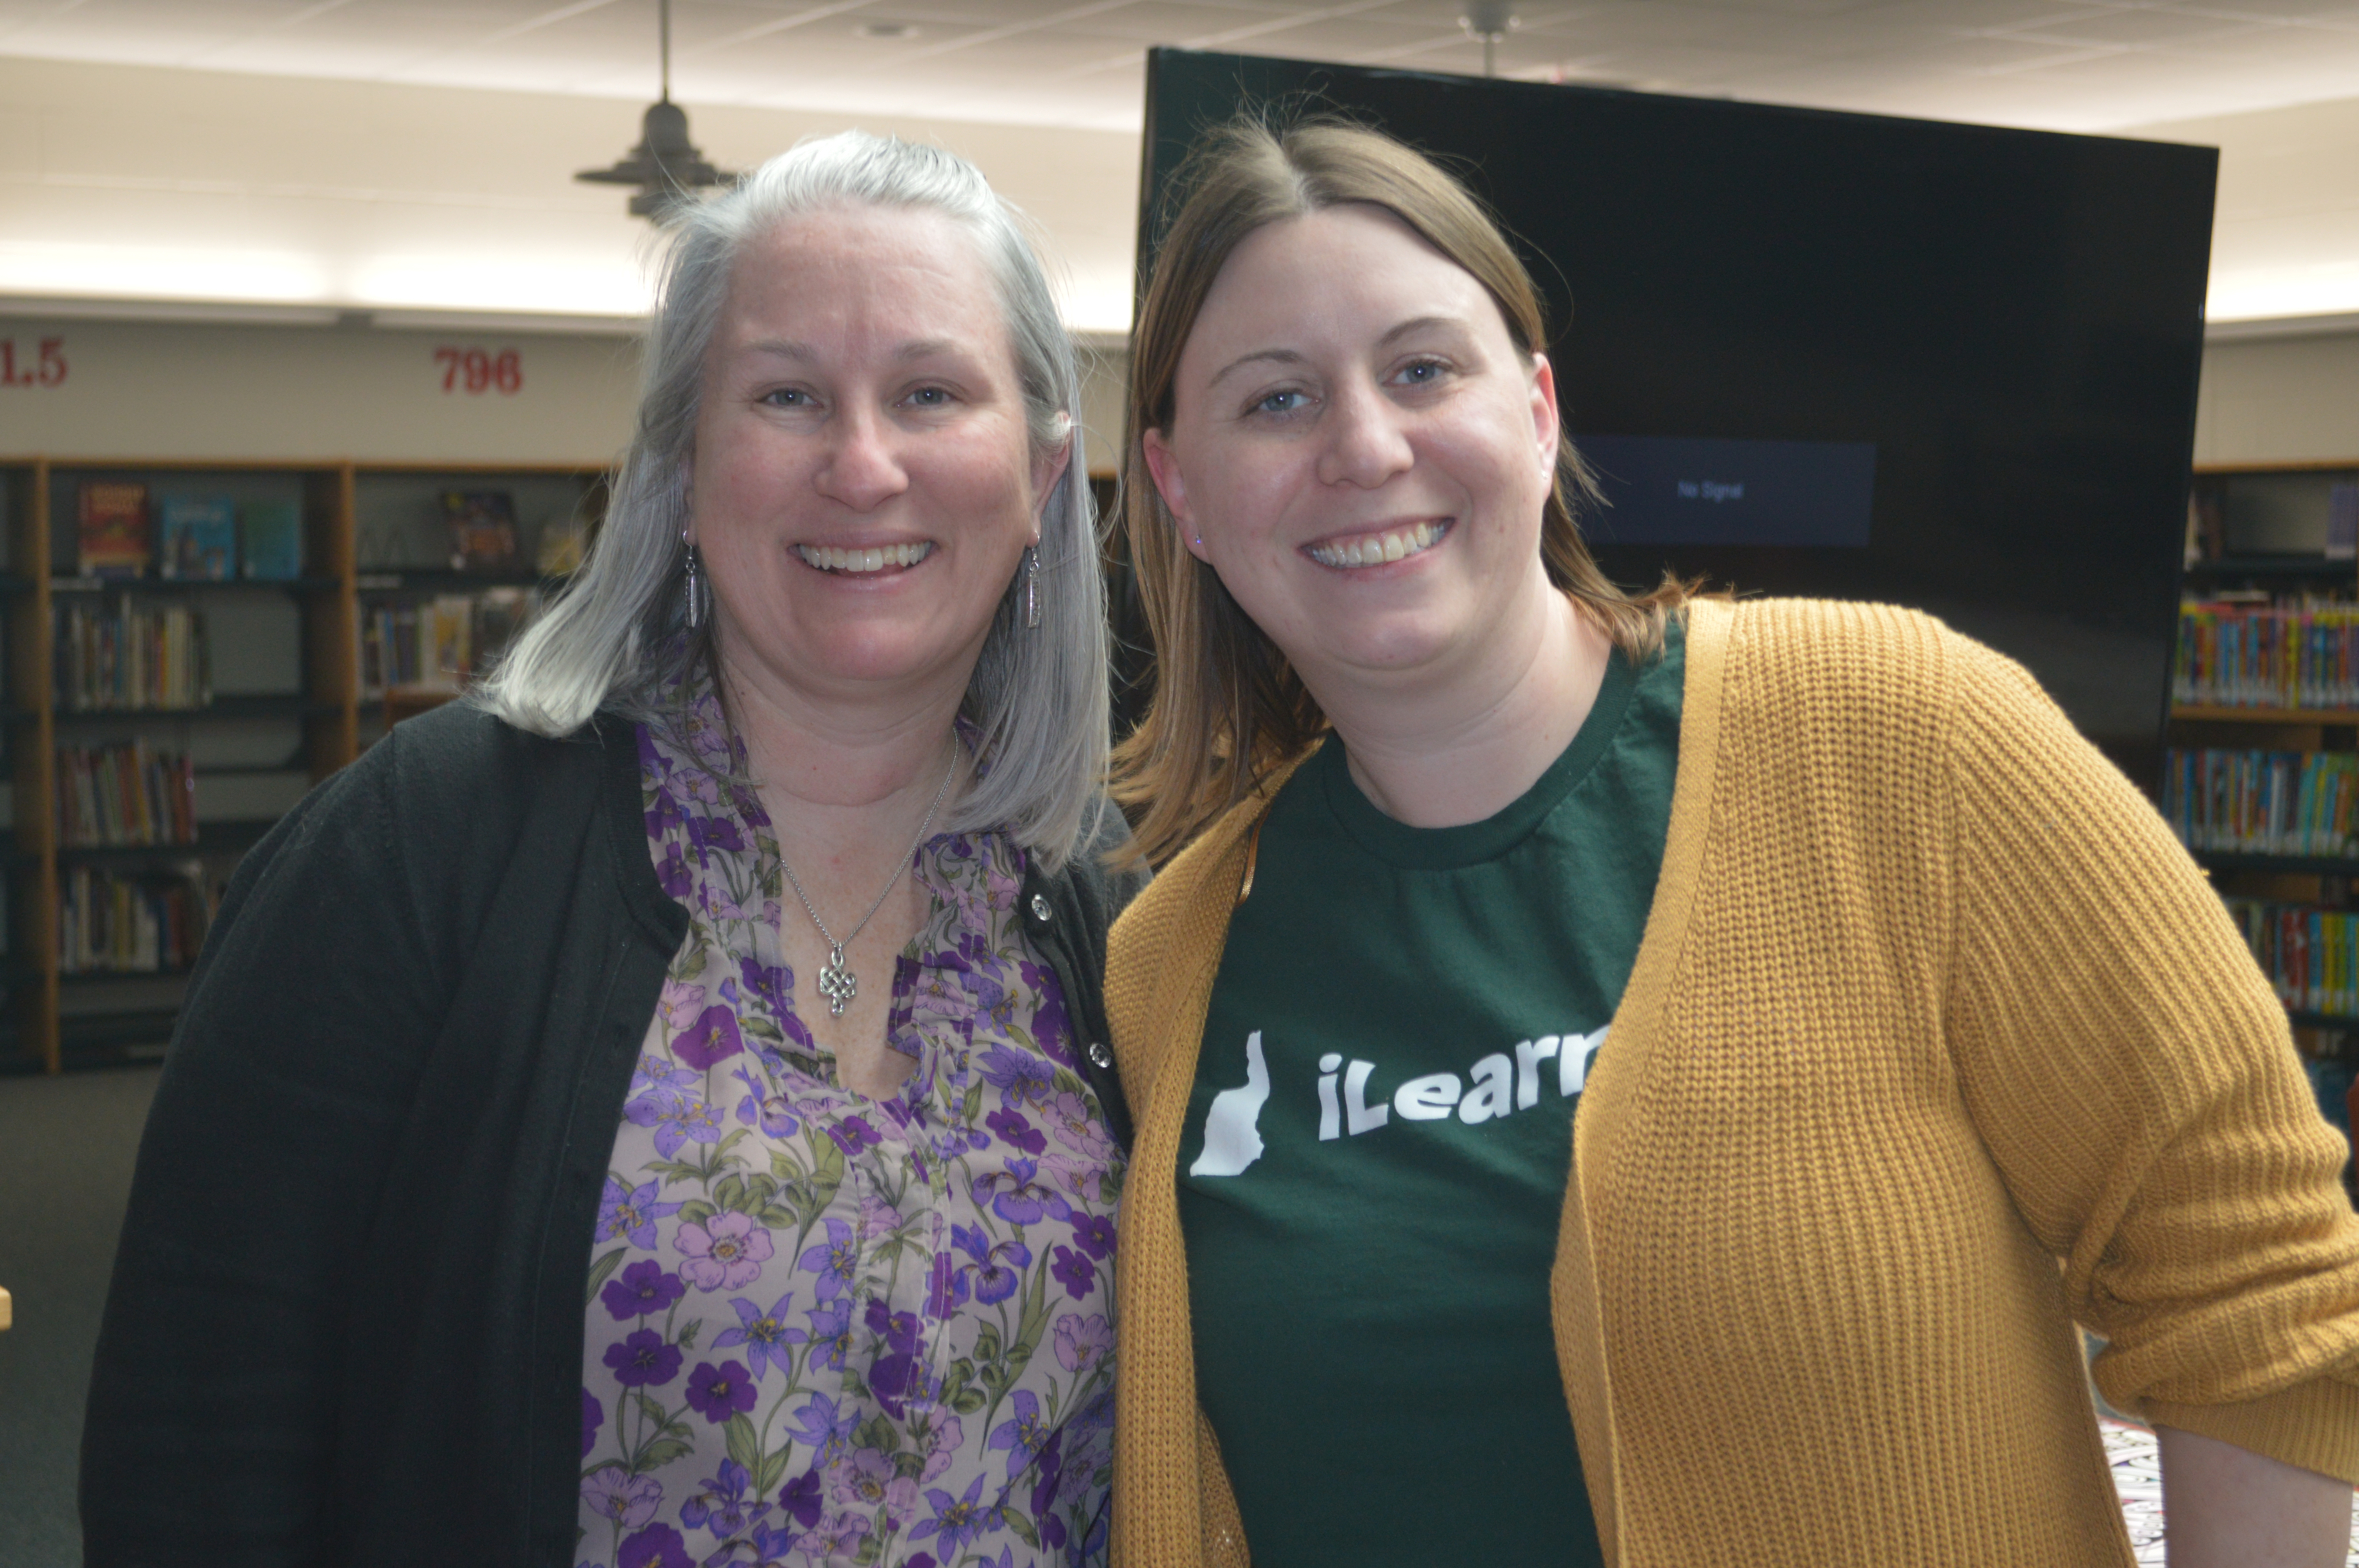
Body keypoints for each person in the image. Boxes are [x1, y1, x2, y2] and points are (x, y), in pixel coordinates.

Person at [1102, 117, 2359, 1568]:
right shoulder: (1170, 964)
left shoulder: (1898, 739)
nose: (1365, 446)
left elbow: (2252, 1281)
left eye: (1424, 368)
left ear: (1540, 409)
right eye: (1274, 402)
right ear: (1179, 489)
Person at [82, 132, 1141, 1568]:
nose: (862, 462)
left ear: (1040, 472)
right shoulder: (432, 845)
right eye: (786, 396)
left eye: (931, 393)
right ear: (684, 467)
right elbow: (200, 1432)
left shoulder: (1091, 897)